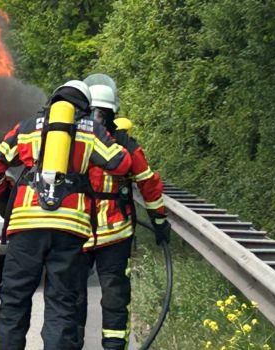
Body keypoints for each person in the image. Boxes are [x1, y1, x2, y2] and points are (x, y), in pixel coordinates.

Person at [0, 80, 133, 349]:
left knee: (14, 300)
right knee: (62, 304)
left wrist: (2, 195)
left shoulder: (27, 127)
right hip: (70, 229)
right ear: (85, 107)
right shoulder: (91, 130)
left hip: (26, 226)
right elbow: (121, 164)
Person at [77, 78, 171, 350]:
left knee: (72, 295)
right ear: (113, 113)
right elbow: (148, 183)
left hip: (76, 231)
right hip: (114, 233)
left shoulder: (72, 140)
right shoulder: (124, 143)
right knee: (114, 296)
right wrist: (159, 221)